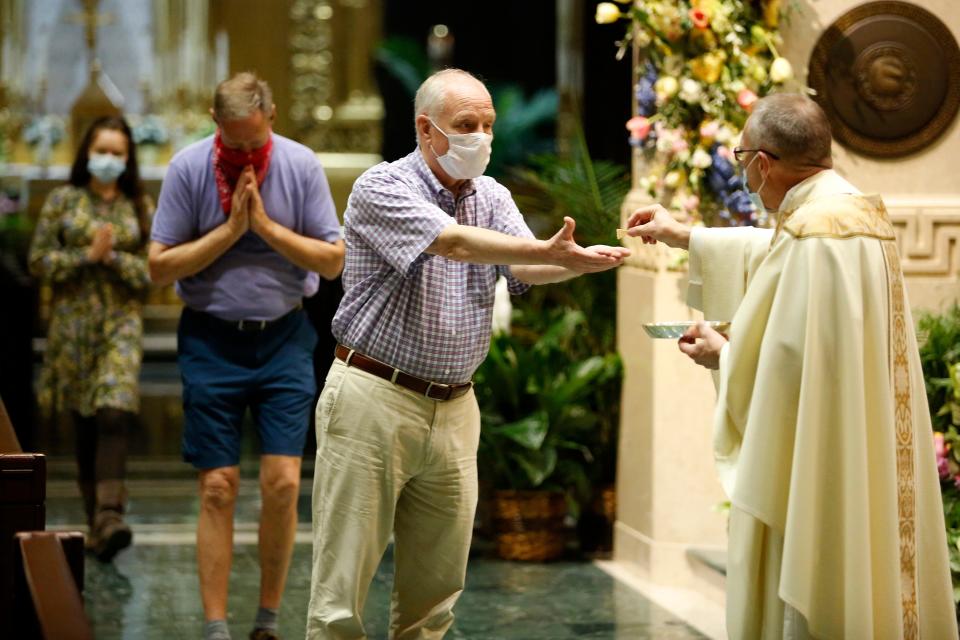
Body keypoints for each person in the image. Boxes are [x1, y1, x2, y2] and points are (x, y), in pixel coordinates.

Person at [305, 68, 629, 639]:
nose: (481, 136)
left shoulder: (492, 195)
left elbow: (522, 264)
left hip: (455, 408)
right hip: (374, 398)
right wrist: (542, 246)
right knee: (341, 597)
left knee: (435, 599)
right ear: (426, 130)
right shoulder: (383, 187)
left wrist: (574, 259)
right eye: (466, 125)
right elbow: (451, 242)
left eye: (488, 125)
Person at [626, 94, 957, 639]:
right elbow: (779, 253)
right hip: (858, 438)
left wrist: (723, 353)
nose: (745, 173)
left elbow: (786, 364)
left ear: (763, 162)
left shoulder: (814, 232)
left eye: (741, 159)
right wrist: (688, 235)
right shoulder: (850, 209)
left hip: (818, 453)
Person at [149, 72, 344, 640]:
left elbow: (331, 261)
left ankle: (267, 619)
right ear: (215, 126)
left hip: (285, 338)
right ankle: (215, 625)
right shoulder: (188, 168)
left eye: (253, 144)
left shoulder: (300, 165)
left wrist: (262, 226)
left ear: (272, 120)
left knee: (283, 482)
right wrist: (231, 231)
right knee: (218, 486)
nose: (244, 155)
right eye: (232, 146)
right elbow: (160, 266)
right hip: (211, 339)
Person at [29, 115, 152, 561]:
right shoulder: (63, 200)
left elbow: (154, 271)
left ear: (128, 158)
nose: (109, 160)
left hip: (120, 324)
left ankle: (109, 512)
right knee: (85, 423)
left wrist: (113, 259)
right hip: (73, 328)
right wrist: (86, 256)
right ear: (87, 153)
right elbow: (39, 262)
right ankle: (95, 523)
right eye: (102, 150)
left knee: (113, 412)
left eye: (118, 153)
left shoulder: (139, 205)